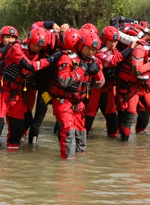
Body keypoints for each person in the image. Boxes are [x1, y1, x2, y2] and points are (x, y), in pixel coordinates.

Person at [45, 29, 105, 159]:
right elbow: (64, 80)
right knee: (68, 131)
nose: (91, 52)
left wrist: (97, 72)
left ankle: (79, 167)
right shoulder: (67, 58)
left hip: (79, 104)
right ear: (81, 45)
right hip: (63, 101)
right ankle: (67, 166)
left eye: (94, 50)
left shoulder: (93, 61)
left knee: (81, 134)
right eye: (88, 48)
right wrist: (81, 70)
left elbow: (100, 83)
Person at [85, 26, 135, 137]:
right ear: (104, 40)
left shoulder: (115, 50)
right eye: (110, 41)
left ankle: (113, 140)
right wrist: (131, 48)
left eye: (115, 41)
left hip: (109, 87)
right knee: (90, 112)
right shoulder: (98, 52)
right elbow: (112, 61)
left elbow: (118, 58)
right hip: (96, 87)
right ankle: (82, 137)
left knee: (111, 112)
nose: (113, 43)